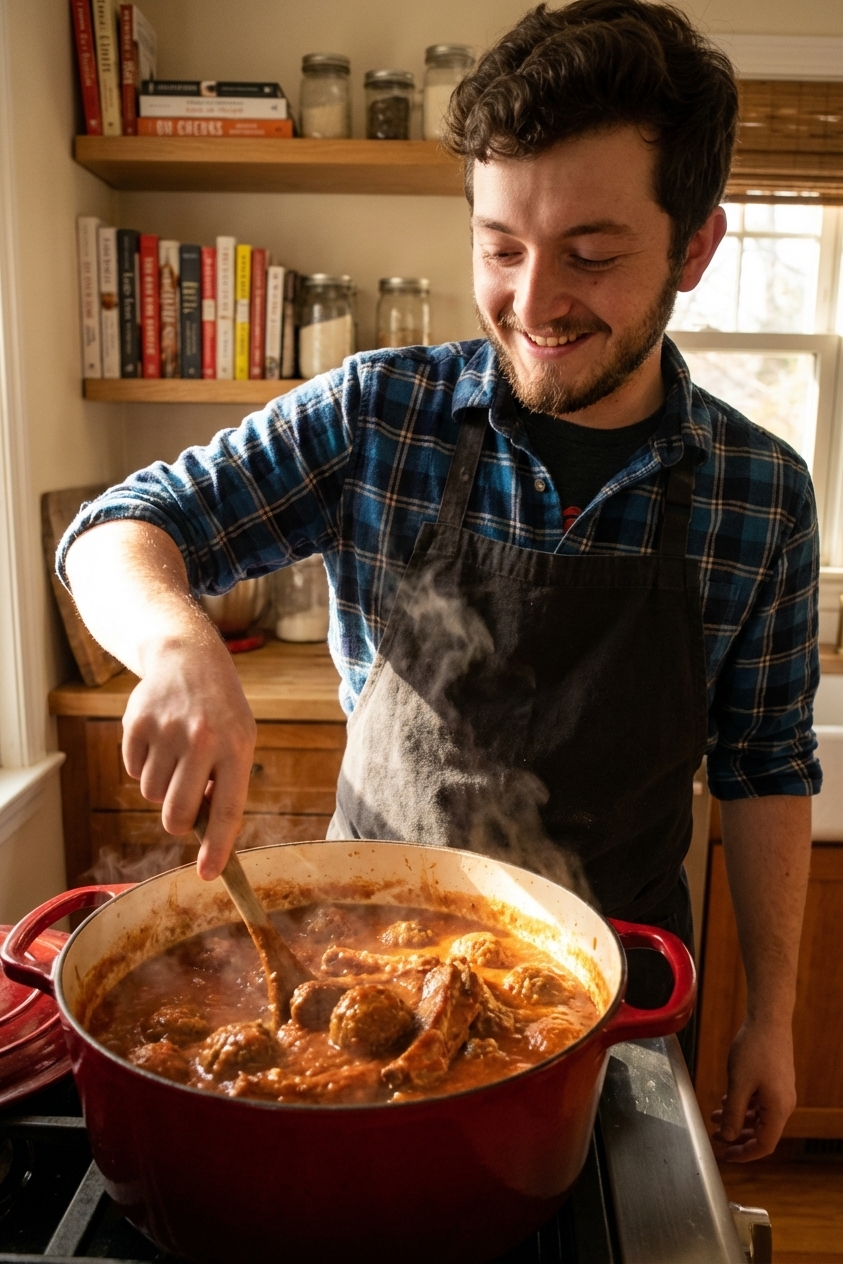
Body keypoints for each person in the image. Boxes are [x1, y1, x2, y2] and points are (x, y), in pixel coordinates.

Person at [59, 0, 819, 1164]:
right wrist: (175, 642)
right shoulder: (382, 413)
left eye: (594, 255)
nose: (534, 302)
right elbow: (118, 527)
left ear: (697, 248)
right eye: (502, 246)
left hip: (613, 1000)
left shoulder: (759, 494)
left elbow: (768, 767)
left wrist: (770, 1014)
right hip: (351, 944)